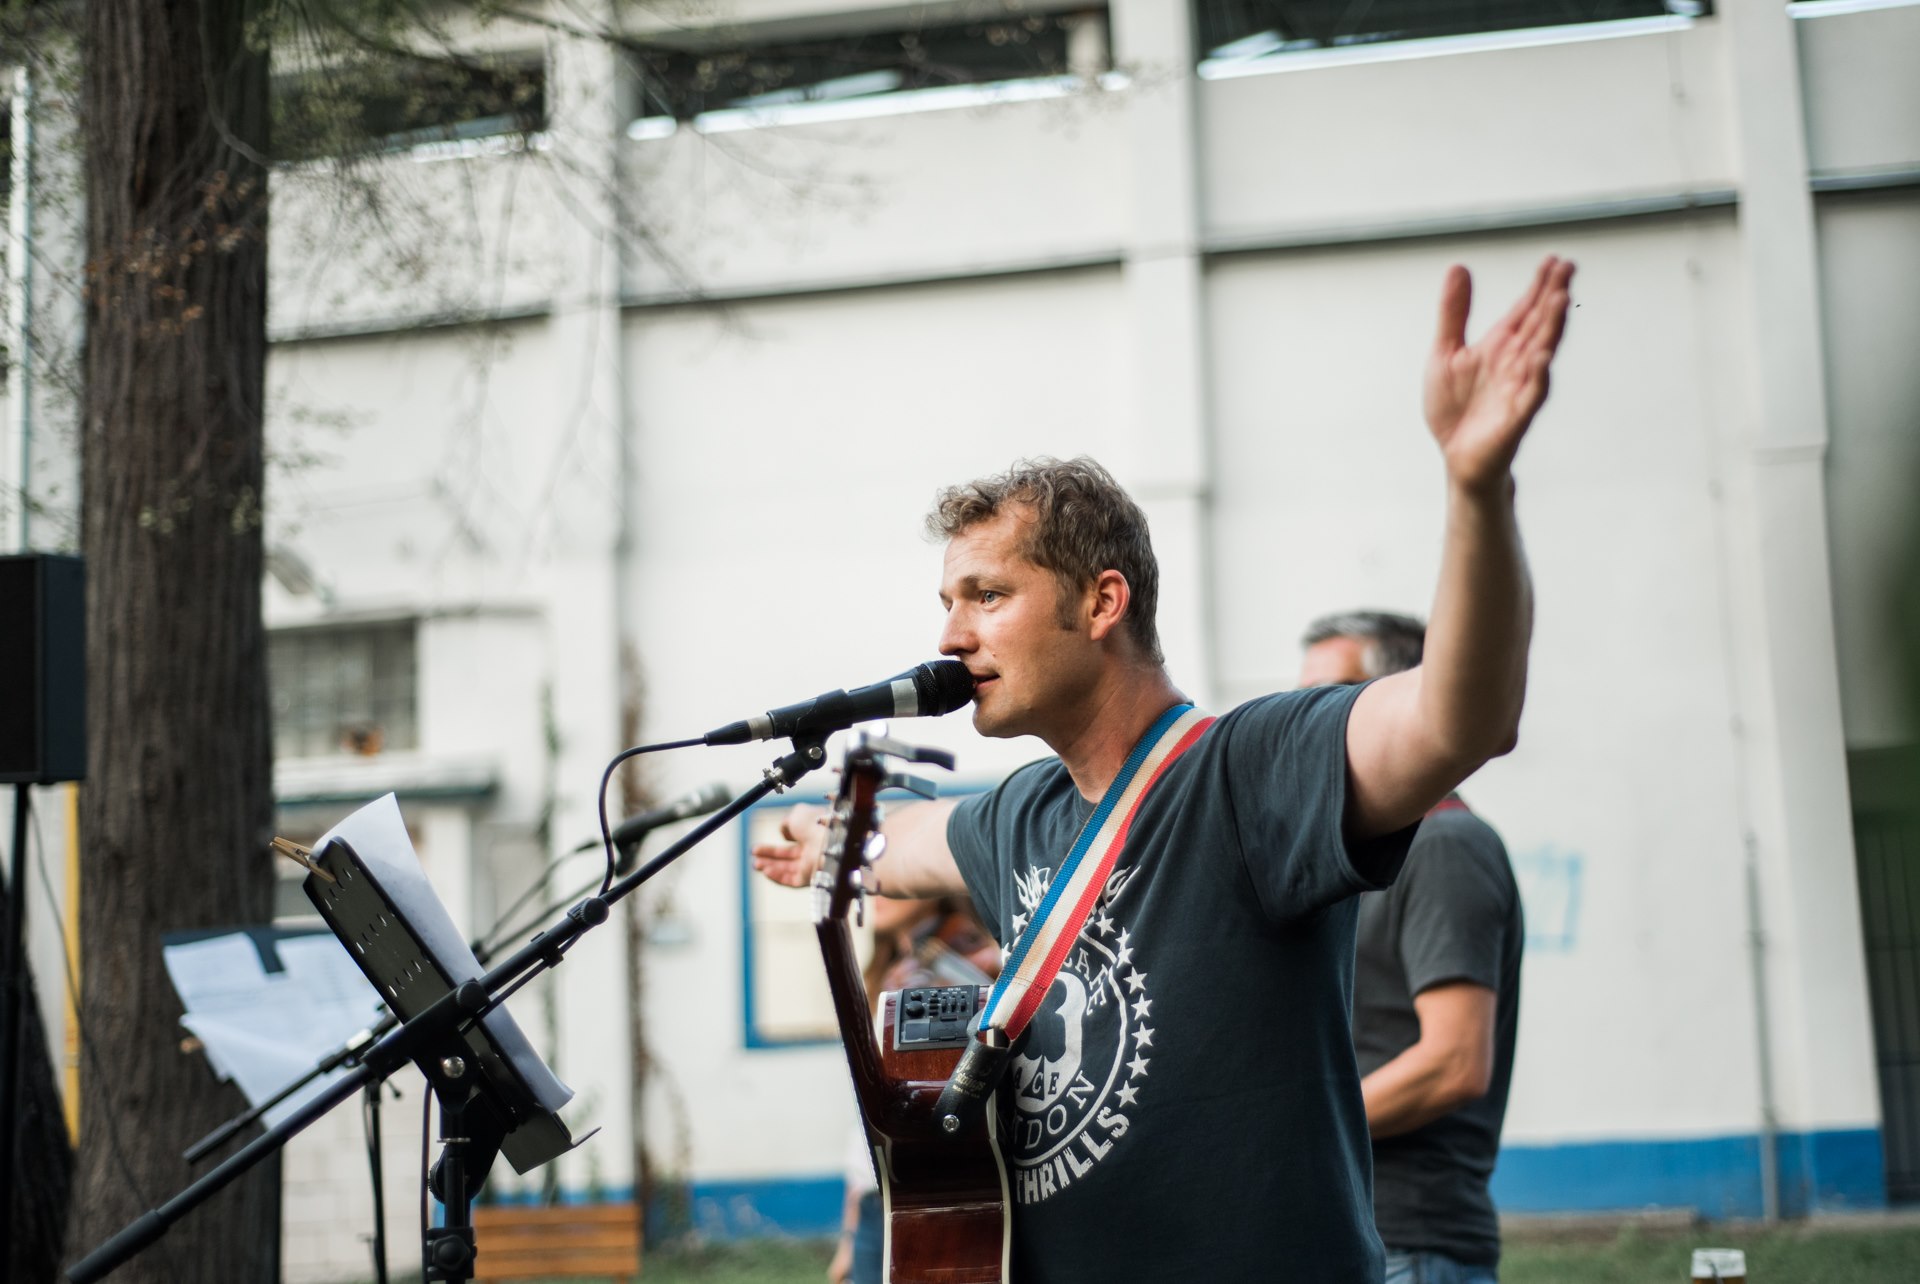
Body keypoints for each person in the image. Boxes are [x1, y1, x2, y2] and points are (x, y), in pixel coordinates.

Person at [755, 256, 1574, 1282]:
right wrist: (829, 841)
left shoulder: (1249, 771)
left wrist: (1477, 489)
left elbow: (1462, 717)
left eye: (988, 596)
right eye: (948, 604)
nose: (953, 637)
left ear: (1103, 603)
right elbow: (907, 844)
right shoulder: (1019, 815)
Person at [1300, 610, 1525, 1284]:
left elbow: (1454, 1063)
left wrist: (1293, 1129)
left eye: (1329, 696)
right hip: (1353, 1236)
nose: (1305, 721)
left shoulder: (1446, 844)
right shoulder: (1359, 853)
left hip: (1409, 1247)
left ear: (1399, 702)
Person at [829, 896, 1001, 1284]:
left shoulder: (968, 955)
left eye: (888, 875)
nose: (875, 888)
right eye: (867, 875)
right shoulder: (886, 971)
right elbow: (865, 1115)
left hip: (937, 1194)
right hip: (875, 1200)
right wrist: (849, 1233)